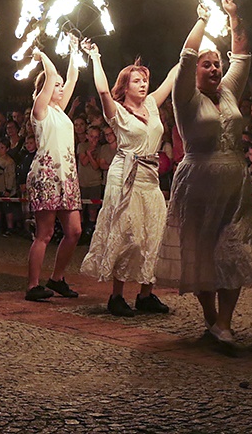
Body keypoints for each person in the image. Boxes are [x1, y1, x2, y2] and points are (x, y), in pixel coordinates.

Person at [156, 0, 252, 345]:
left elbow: (242, 54)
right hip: (198, 182)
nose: (215, 69)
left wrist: (232, 16)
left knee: (236, 250)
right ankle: (212, 320)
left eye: (217, 64)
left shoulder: (228, 91)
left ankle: (225, 324)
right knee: (202, 255)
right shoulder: (184, 98)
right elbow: (186, 57)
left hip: (234, 183)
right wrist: (201, 20)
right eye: (208, 65)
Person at [80, 42, 177, 317]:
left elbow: (172, 76)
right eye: (137, 81)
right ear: (125, 87)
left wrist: (192, 49)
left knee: (153, 233)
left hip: (150, 178)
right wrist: (96, 56)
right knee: (128, 235)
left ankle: (147, 294)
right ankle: (117, 296)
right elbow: (101, 89)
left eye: (145, 80)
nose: (143, 85)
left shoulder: (152, 105)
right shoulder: (117, 111)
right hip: (125, 177)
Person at [25, 47, 83, 301]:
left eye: (61, 86)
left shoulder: (59, 110)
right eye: (55, 86)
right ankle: (32, 285)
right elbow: (51, 76)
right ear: (46, 88)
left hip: (67, 176)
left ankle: (57, 278)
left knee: (75, 232)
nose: (61, 88)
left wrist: (73, 50)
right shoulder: (40, 110)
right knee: (45, 234)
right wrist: (42, 56)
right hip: (46, 175)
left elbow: (73, 77)